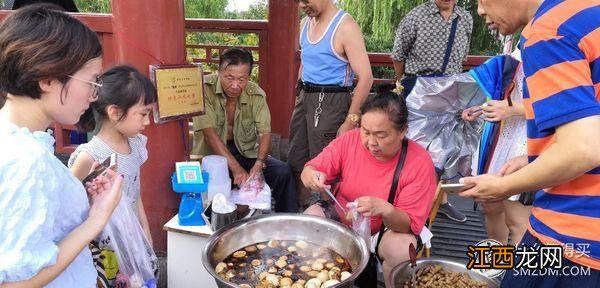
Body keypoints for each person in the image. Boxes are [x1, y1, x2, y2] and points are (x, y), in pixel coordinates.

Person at [461, 0, 600, 286]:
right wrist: (532, 160)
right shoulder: (587, 15)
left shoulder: (549, 30)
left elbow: (583, 149)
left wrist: (502, 187)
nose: (479, 11)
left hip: (573, 239)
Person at [0, 4, 122, 287]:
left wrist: (81, 200)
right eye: (92, 81)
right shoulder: (26, 160)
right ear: (47, 79)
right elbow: (16, 282)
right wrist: (96, 219)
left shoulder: (20, 139)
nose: (94, 96)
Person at [301, 86, 437, 284]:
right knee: (310, 219)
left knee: (400, 248)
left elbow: (406, 223)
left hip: (385, 229)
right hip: (342, 217)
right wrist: (313, 176)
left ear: (403, 131)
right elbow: (309, 170)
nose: (370, 142)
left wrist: (384, 209)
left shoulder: (419, 163)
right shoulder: (349, 140)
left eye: (381, 135)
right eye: (365, 132)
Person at [391, 0, 473, 223]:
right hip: (420, 88)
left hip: (450, 90)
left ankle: (442, 202)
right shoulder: (416, 16)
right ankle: (408, 201)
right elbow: (398, 54)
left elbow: (462, 58)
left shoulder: (465, 18)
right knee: (415, 146)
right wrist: (402, 83)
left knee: (445, 147)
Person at [191, 48, 298, 213]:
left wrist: (259, 163)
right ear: (218, 72)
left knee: (283, 172)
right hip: (213, 155)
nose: (235, 85)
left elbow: (264, 133)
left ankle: (286, 222)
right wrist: (235, 168)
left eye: (242, 79)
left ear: (249, 76)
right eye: (229, 78)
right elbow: (209, 133)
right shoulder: (204, 89)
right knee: (218, 183)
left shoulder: (255, 94)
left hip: (245, 153)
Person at [288, 0, 373, 206]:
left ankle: (328, 215)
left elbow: (366, 78)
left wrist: (350, 122)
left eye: (305, 1)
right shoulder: (305, 23)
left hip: (332, 101)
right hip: (306, 97)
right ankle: (304, 211)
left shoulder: (345, 26)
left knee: (327, 166)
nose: (301, 5)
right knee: (296, 158)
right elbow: (306, 61)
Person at [463, 49, 532, 246]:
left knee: (517, 221)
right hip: (500, 140)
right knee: (491, 206)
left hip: (525, 142)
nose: (482, 15)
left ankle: (516, 276)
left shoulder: (553, 40)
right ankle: (496, 267)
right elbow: (512, 94)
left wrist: (514, 109)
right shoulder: (524, 39)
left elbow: (564, 106)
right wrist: (484, 109)